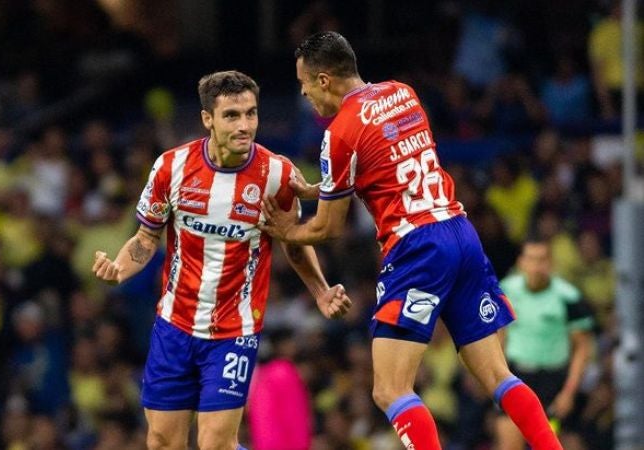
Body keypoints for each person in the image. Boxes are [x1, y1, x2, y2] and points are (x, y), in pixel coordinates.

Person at [258, 31, 562, 450]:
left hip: (417, 247)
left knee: (390, 389)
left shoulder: (339, 132)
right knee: (498, 376)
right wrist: (318, 188)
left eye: (305, 84)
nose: (305, 94)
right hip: (459, 232)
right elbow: (387, 159)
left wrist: (284, 230)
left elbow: (328, 228)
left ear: (324, 79)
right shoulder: (403, 94)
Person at [92, 70, 351, 450]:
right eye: (232, 115)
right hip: (174, 327)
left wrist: (321, 291)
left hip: (234, 332)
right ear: (207, 119)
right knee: (162, 441)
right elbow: (146, 238)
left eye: (251, 113)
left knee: (215, 443)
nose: (245, 125)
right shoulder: (171, 167)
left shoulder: (276, 174)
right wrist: (120, 270)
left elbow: (292, 240)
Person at [496, 238, 594, 450]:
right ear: (521, 262)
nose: (536, 266)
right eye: (531, 259)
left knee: (549, 444)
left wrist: (568, 392)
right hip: (516, 378)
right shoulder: (506, 290)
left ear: (551, 263)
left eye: (542, 260)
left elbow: (582, 348)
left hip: (552, 383)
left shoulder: (568, 297)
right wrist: (496, 378)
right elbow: (498, 337)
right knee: (509, 445)